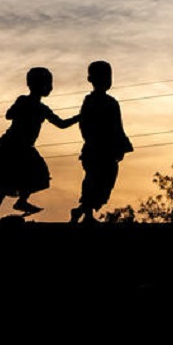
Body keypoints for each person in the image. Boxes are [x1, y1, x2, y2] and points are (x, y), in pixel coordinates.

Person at [0, 67, 78, 222]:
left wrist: (80, 116)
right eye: (48, 83)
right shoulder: (24, 101)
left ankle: (19, 202)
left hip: (24, 148)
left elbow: (61, 124)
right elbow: (9, 115)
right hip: (10, 145)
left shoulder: (43, 109)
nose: (50, 87)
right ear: (36, 85)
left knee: (31, 176)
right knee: (6, 180)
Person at [70, 61, 133, 224]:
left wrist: (120, 147)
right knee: (93, 181)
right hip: (95, 150)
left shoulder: (112, 102)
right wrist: (93, 141)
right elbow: (85, 125)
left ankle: (80, 211)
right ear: (92, 79)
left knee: (104, 184)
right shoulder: (91, 101)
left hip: (108, 151)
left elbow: (117, 127)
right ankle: (87, 215)